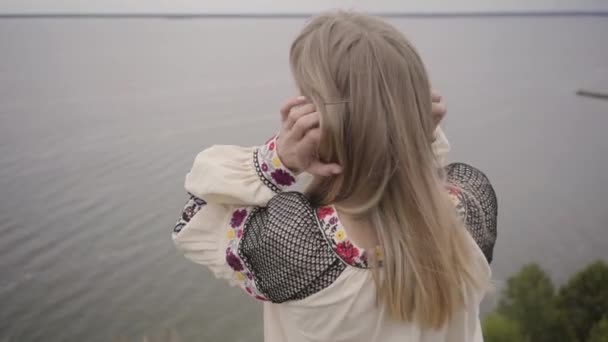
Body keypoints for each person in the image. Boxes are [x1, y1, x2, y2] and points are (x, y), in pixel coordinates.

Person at [172, 11, 497, 342]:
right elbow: (423, 177)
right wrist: (409, 133)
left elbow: (194, 219)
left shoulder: (300, 248)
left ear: (318, 121)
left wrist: (278, 159)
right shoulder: (470, 210)